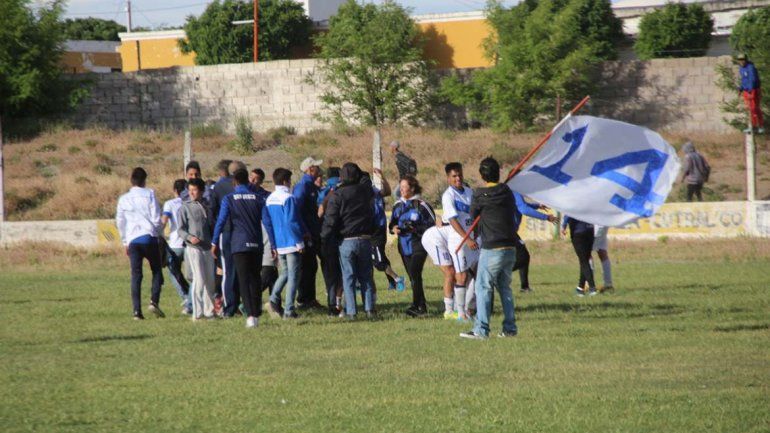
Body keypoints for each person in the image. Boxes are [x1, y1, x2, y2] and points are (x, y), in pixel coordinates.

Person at [460, 157, 519, 340]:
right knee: (504, 287)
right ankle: (509, 328)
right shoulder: (506, 191)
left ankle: (481, 329)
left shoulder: (479, 194)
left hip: (492, 247)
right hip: (510, 246)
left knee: (483, 287)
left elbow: (473, 218)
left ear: (481, 174)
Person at [321, 162, 378, 318]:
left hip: (346, 240)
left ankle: (352, 312)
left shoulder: (338, 194)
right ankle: (369, 309)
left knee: (348, 277)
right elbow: (367, 180)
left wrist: (324, 239)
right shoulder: (366, 192)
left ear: (341, 177)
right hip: (365, 239)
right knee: (366, 276)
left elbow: (331, 220)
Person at [212, 169, 265, 328]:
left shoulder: (229, 198)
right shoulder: (258, 198)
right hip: (256, 243)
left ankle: (250, 315)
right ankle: (256, 311)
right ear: (248, 181)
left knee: (243, 280)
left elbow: (220, 222)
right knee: (255, 278)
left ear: (234, 182)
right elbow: (267, 222)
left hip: (238, 244)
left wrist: (214, 242)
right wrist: (274, 245)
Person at [116, 167, 164, 320]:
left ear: (131, 180)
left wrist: (125, 241)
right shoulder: (150, 194)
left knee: (136, 275)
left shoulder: (124, 199)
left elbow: (120, 222)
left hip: (133, 240)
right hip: (149, 237)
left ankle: (137, 311)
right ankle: (154, 301)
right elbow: (156, 217)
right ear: (144, 180)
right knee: (157, 270)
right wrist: (157, 233)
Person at [263, 168, 307, 319]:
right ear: (285, 181)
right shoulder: (289, 198)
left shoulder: (269, 199)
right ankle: (289, 310)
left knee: (285, 273)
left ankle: (274, 299)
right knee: (294, 275)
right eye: (289, 180)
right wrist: (299, 242)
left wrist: (273, 245)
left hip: (279, 242)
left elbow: (268, 222)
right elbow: (292, 221)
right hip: (291, 241)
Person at [390, 175, 436, 317]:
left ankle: (418, 306)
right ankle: (420, 306)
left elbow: (432, 224)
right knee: (413, 277)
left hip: (419, 243)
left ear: (412, 188)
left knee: (415, 272)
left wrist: (416, 228)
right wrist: (393, 228)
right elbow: (392, 224)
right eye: (401, 187)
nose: (402, 190)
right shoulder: (397, 205)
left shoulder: (421, 205)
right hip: (403, 245)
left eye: (405, 187)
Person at [441, 162, 478, 322]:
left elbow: (477, 215)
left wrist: (475, 236)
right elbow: (453, 220)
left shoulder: (470, 192)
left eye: (460, 175)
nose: (458, 178)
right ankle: (460, 313)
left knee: (478, 274)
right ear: (448, 178)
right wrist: (467, 238)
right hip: (459, 240)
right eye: (454, 176)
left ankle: (472, 308)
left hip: (473, 239)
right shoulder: (448, 196)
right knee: (461, 276)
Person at [178, 178, 218, 320]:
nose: (192, 193)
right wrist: (189, 237)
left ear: (201, 191)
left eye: (194, 190)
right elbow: (180, 230)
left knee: (210, 280)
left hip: (207, 248)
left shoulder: (207, 206)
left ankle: (209, 311)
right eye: (190, 190)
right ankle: (197, 313)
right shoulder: (184, 207)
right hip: (193, 248)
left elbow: (212, 226)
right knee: (199, 279)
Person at [293, 156, 324, 310]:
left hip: (312, 232)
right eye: (316, 167)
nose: (319, 169)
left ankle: (310, 299)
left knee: (312, 266)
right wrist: (303, 231)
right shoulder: (302, 186)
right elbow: (296, 211)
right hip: (306, 234)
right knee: (306, 267)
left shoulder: (311, 186)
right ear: (310, 169)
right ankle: (304, 299)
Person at [511, 192, 558, 293]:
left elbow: (520, 205)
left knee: (522, 257)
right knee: (523, 257)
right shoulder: (515, 190)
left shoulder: (508, 190)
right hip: (508, 232)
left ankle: (525, 287)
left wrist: (537, 206)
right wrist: (546, 217)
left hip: (504, 231)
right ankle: (498, 276)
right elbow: (523, 209)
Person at [209, 160, 239, 317]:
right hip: (241, 232)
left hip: (225, 232)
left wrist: (215, 233)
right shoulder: (242, 185)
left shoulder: (218, 187)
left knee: (227, 271)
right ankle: (240, 304)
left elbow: (212, 212)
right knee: (240, 269)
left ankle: (229, 306)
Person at [369, 168, 404, 292]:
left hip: (377, 230)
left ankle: (397, 278)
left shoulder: (374, 192)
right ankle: (392, 282)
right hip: (370, 231)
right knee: (379, 256)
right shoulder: (362, 195)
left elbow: (388, 191)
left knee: (378, 261)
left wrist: (382, 177)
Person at [161, 179, 191, 315]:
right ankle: (192, 298)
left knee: (173, 272)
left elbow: (164, 220)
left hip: (175, 245)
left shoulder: (170, 204)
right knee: (194, 275)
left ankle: (186, 298)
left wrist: (158, 234)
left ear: (174, 191)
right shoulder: (189, 202)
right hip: (190, 243)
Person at [421, 224, 457, 314]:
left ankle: (458, 307)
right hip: (434, 239)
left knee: (458, 274)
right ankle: (449, 311)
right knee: (450, 273)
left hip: (442, 239)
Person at [561, 216, 597, 297]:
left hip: (578, 232)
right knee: (585, 260)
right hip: (590, 230)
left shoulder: (572, 202)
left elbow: (569, 211)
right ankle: (580, 288)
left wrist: (564, 225)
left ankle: (592, 288)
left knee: (584, 261)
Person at [737, 53, 764, 134]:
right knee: (750, 108)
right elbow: (743, 80)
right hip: (746, 90)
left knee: (754, 108)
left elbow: (753, 79)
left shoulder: (750, 67)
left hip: (753, 90)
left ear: (746, 59)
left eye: (743, 59)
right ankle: (754, 126)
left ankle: (757, 126)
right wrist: (741, 88)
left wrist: (750, 90)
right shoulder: (741, 69)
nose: (741, 61)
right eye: (740, 60)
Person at [591, 225, 614, 293]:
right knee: (602, 252)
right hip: (604, 224)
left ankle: (589, 283)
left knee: (586, 253)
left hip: (596, 226)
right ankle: (608, 284)